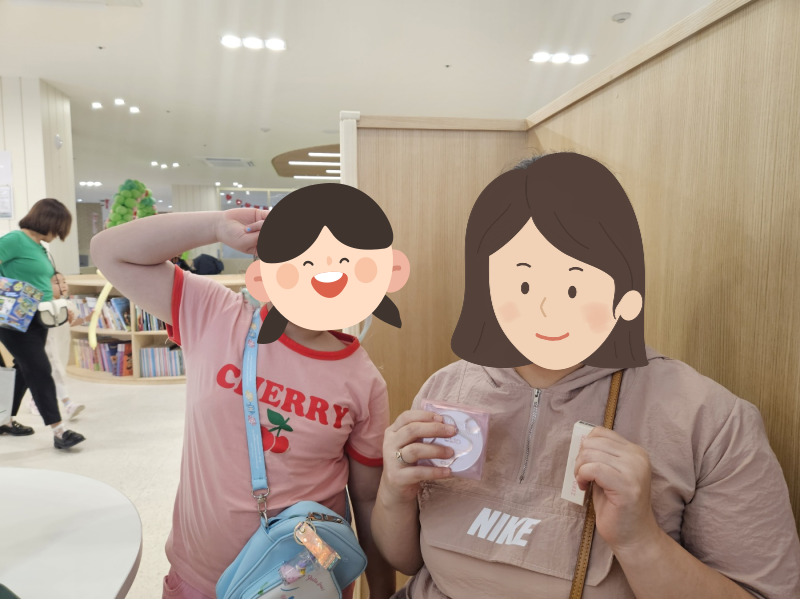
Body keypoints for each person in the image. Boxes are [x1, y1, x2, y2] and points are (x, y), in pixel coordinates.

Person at [371, 153, 800, 598]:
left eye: (573, 286)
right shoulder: (447, 387)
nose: (546, 307)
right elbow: (408, 560)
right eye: (522, 283)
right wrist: (393, 491)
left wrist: (640, 540)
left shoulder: (709, 421)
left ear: (624, 289)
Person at [91, 183, 409, 599]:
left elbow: (367, 499)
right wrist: (216, 225)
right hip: (200, 580)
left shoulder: (363, 380)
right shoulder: (216, 314)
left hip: (307, 584)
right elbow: (109, 251)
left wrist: (382, 591)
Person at [0, 198, 86, 449]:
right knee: (39, 369)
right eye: (58, 229)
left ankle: (4, 419)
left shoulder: (39, 248)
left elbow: (44, 283)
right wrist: (10, 287)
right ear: (47, 221)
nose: (58, 235)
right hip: (15, 318)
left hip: (39, 318)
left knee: (23, 369)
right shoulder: (15, 240)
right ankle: (59, 431)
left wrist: (64, 305)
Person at [27, 270, 86, 421]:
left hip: (61, 346)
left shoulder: (67, 304)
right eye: (57, 283)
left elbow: (72, 322)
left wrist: (88, 318)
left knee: (55, 374)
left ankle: (35, 400)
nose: (63, 285)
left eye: (64, 281)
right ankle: (67, 404)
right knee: (53, 373)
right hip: (48, 346)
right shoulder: (45, 306)